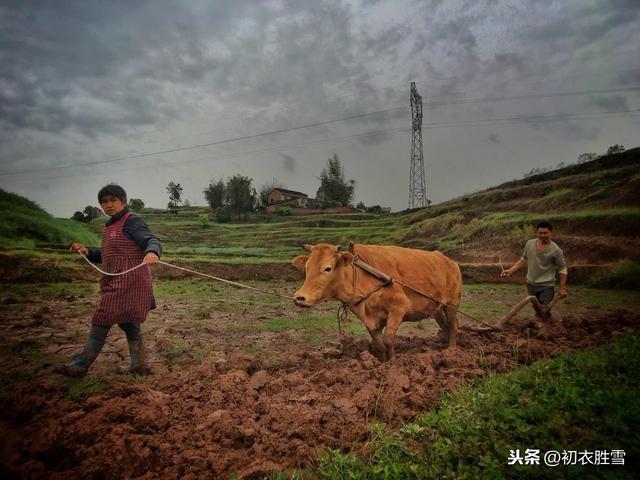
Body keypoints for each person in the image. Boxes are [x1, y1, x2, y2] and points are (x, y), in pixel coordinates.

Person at [57, 184, 161, 377]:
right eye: (104, 201)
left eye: (113, 200)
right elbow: (107, 255)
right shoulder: (110, 227)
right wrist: (88, 251)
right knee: (130, 323)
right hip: (116, 280)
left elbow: (151, 240)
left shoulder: (132, 221)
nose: (109, 205)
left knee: (103, 318)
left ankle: (80, 365)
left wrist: (153, 252)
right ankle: (140, 366)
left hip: (130, 281)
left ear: (124, 201)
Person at [501, 221, 568, 307]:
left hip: (546, 286)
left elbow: (562, 268)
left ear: (551, 233)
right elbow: (523, 259)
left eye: (545, 233)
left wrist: (562, 288)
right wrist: (511, 270)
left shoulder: (556, 250)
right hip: (531, 285)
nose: (542, 235)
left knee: (543, 308)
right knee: (537, 309)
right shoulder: (530, 244)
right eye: (540, 233)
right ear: (537, 232)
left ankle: (546, 319)